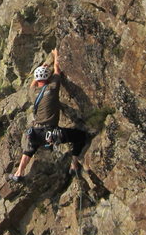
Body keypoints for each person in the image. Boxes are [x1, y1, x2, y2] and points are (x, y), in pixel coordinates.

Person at [9, 48, 88, 182]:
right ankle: (74, 164)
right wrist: (56, 55)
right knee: (80, 137)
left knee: (29, 150)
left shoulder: (32, 93)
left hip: (36, 131)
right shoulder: (52, 88)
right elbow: (57, 70)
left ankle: (18, 173)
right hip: (52, 132)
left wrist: (40, 70)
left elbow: (32, 84)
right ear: (48, 77)